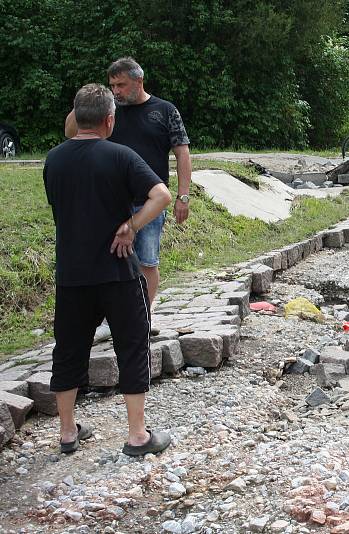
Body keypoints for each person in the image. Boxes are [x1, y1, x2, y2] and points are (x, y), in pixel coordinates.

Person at [45, 84, 173, 456]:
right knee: (132, 347)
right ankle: (137, 435)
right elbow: (161, 195)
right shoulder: (120, 156)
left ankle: (68, 433)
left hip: (72, 274)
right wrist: (131, 226)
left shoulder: (54, 159)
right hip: (118, 271)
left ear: (76, 116)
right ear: (110, 119)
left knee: (68, 351)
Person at [65, 57, 191, 313]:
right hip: (112, 200)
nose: (116, 91)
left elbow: (183, 153)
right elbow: (70, 133)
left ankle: (143, 314)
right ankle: (110, 317)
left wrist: (183, 196)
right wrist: (82, 104)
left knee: (147, 261)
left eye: (121, 85)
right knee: (110, 261)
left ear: (138, 80)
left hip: (151, 201)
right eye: (112, 85)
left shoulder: (165, 110)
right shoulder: (109, 111)